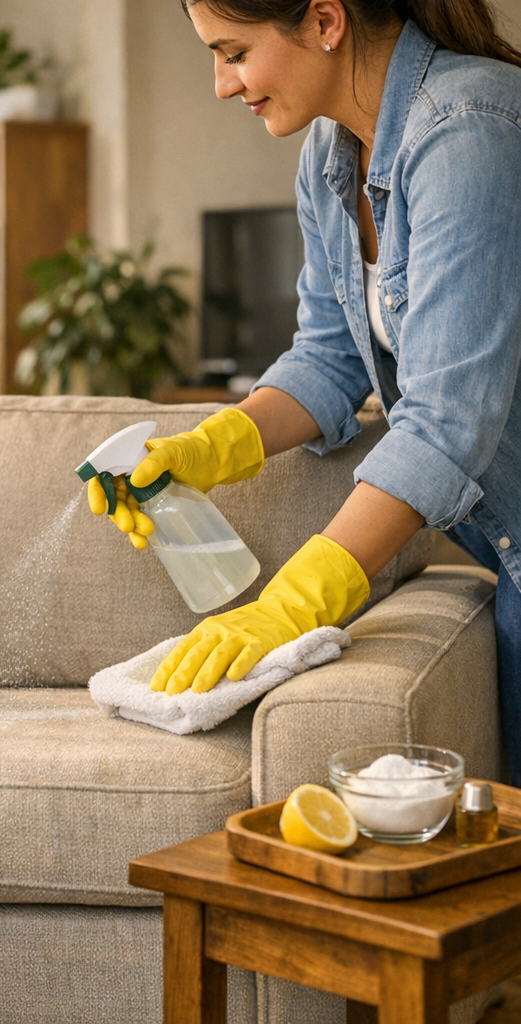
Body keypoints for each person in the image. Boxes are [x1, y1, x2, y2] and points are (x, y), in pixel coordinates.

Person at [89, 0, 521, 779]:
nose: (222, 84)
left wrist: (295, 602)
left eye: (232, 51)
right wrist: (207, 446)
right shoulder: (330, 159)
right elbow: (328, 358)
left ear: (326, 21)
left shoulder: (469, 131)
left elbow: (448, 420)